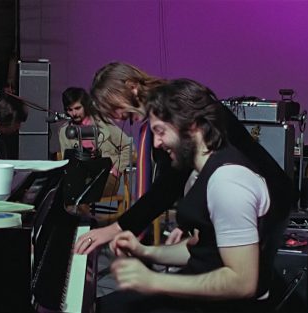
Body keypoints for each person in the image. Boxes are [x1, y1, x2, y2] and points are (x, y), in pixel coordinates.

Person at [74, 62, 296, 256]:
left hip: (266, 197)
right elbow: (185, 175)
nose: (117, 116)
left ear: (132, 86)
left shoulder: (172, 105)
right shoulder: (166, 104)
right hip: (258, 196)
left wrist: (114, 229)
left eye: (114, 107)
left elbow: (168, 186)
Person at [97, 79, 272, 313]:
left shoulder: (227, 182)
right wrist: (144, 251)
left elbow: (243, 283)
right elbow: (200, 249)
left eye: (160, 132)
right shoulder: (200, 175)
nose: (156, 143)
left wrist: (154, 281)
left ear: (192, 127)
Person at [58, 87, 133, 197]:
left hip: (106, 175)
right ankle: (80, 212)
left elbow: (128, 146)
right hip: (81, 177)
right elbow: (68, 160)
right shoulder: (65, 131)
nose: (74, 113)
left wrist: (116, 170)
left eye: (77, 108)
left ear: (85, 106)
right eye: (70, 110)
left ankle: (81, 211)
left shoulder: (102, 123)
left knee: (83, 194)